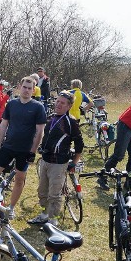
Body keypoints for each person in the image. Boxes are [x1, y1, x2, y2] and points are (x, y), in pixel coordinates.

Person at [27, 91, 84, 226]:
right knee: (42, 191)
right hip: (45, 160)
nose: (58, 104)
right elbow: (45, 136)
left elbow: (79, 144)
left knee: (54, 194)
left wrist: (74, 162)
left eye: (62, 103)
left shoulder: (71, 122)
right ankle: (43, 215)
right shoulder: (50, 118)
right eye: (57, 101)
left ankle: (53, 221)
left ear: (69, 106)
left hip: (59, 163)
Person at [0, 77, 47, 219]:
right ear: (20, 86)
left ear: (34, 89)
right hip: (8, 146)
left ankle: (11, 208)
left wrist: (33, 152)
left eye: (30, 88)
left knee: (19, 178)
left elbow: (39, 132)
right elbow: (4, 125)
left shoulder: (38, 107)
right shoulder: (11, 104)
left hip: (25, 150)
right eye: (25, 87)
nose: (27, 90)